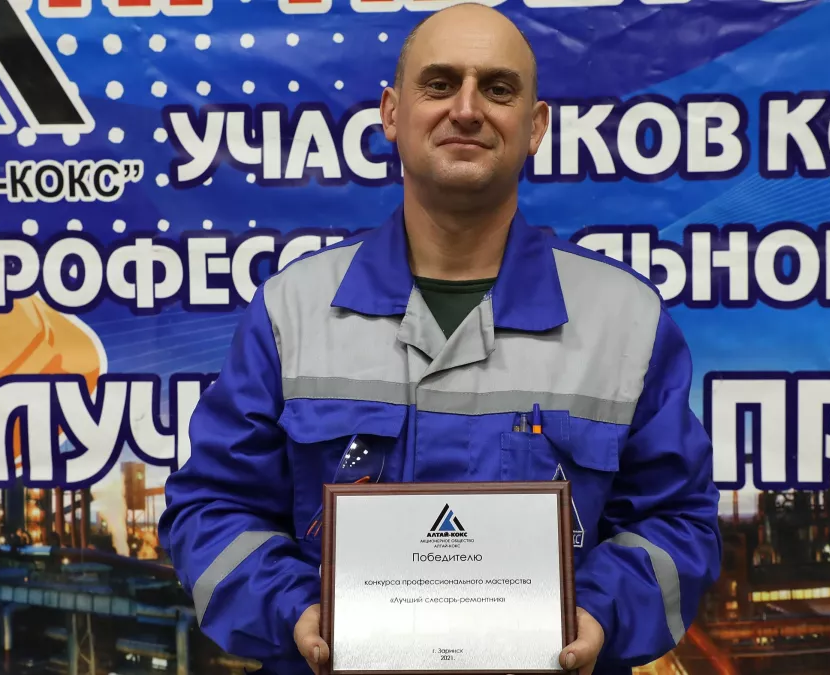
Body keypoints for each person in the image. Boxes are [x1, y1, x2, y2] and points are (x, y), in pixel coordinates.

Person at [158, 4, 722, 675]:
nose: (467, 108)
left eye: (498, 88)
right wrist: (295, 610)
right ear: (391, 113)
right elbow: (211, 508)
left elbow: (678, 521)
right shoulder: (292, 311)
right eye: (440, 83)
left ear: (536, 126)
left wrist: (599, 612)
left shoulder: (625, 319)